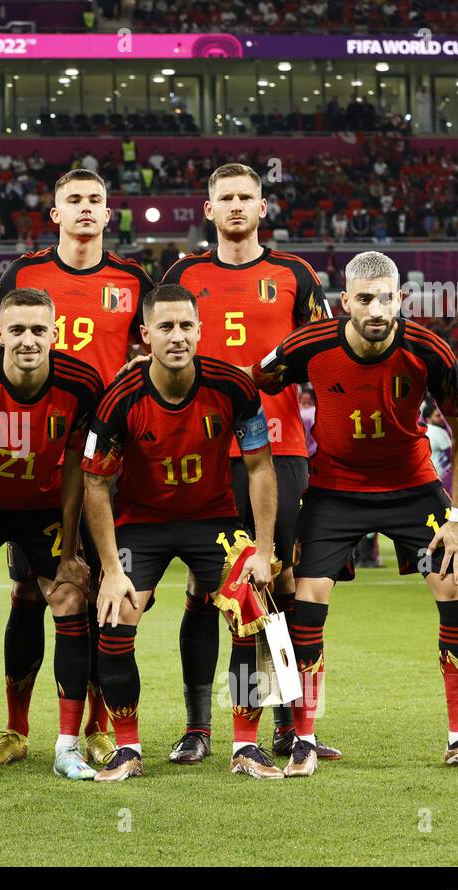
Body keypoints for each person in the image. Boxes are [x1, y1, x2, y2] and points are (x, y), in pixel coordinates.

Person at [254, 250, 458, 774]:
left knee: (456, 587)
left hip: (412, 488)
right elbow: (255, 378)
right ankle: (302, 737)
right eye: (364, 298)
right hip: (334, 491)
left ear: (400, 299)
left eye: (386, 298)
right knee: (308, 597)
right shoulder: (309, 344)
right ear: (344, 302)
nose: (376, 309)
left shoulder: (429, 350)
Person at [0, 168, 152, 769]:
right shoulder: (23, 273)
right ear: (55, 213)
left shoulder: (132, 280)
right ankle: (16, 729)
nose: (83, 209)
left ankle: (99, 727)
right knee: (27, 591)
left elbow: (150, 356)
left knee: (101, 588)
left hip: (105, 459)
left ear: (109, 214)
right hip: (36, 457)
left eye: (94, 201)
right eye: (72, 200)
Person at [163, 162, 340, 763]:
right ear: (208, 210)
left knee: (280, 586)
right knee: (202, 586)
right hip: (204, 453)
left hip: (280, 450)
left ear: (263, 208)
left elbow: (323, 356)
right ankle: (197, 727)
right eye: (225, 198)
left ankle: (292, 726)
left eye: (247, 197)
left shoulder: (295, 274)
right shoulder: (183, 274)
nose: (236, 206)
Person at [83, 284, 277, 782]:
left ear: (199, 330)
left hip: (212, 520)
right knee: (114, 616)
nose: (177, 336)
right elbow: (96, 485)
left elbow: (259, 467)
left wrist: (263, 549)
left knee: (251, 609)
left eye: (186, 325)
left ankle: (247, 745)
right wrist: (109, 570)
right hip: (140, 524)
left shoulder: (234, 385)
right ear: (146, 335)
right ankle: (127, 749)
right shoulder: (119, 399)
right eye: (165, 327)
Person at [0, 288, 103, 784]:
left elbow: (78, 469)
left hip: (45, 509)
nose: (28, 340)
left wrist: (72, 550)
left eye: (38, 330)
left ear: (55, 333)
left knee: (71, 598)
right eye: (17, 330)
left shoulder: (83, 383)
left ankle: (67, 747)